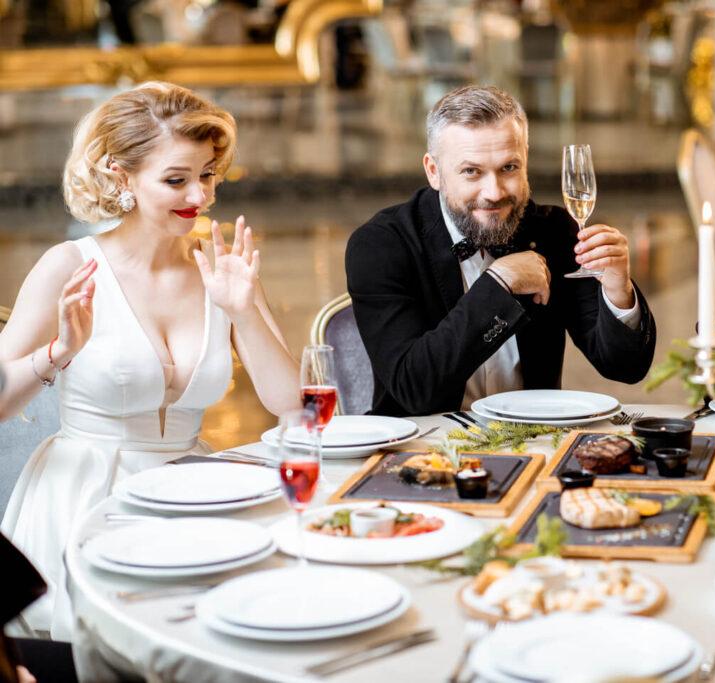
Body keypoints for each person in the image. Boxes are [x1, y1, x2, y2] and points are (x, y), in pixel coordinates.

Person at [0, 82, 299, 638]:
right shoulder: (68, 265)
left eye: (208, 174)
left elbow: (291, 405)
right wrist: (59, 352)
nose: (201, 196)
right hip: (80, 503)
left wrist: (245, 311)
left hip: (190, 498)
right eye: (176, 179)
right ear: (121, 175)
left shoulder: (220, 266)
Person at [345, 85, 656, 416]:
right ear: (434, 172)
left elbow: (626, 368)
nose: (493, 193)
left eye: (509, 168)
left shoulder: (552, 232)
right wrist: (499, 285)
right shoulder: (381, 245)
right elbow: (415, 390)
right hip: (423, 451)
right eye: (471, 171)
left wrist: (618, 290)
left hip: (534, 443)